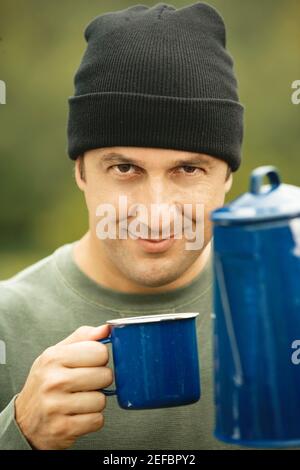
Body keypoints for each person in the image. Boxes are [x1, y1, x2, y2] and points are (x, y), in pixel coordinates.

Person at [0, 2, 245, 449]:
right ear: (80, 172)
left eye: (188, 170)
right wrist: (20, 433)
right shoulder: (5, 323)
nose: (156, 213)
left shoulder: (283, 309)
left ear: (227, 177)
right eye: (125, 168)